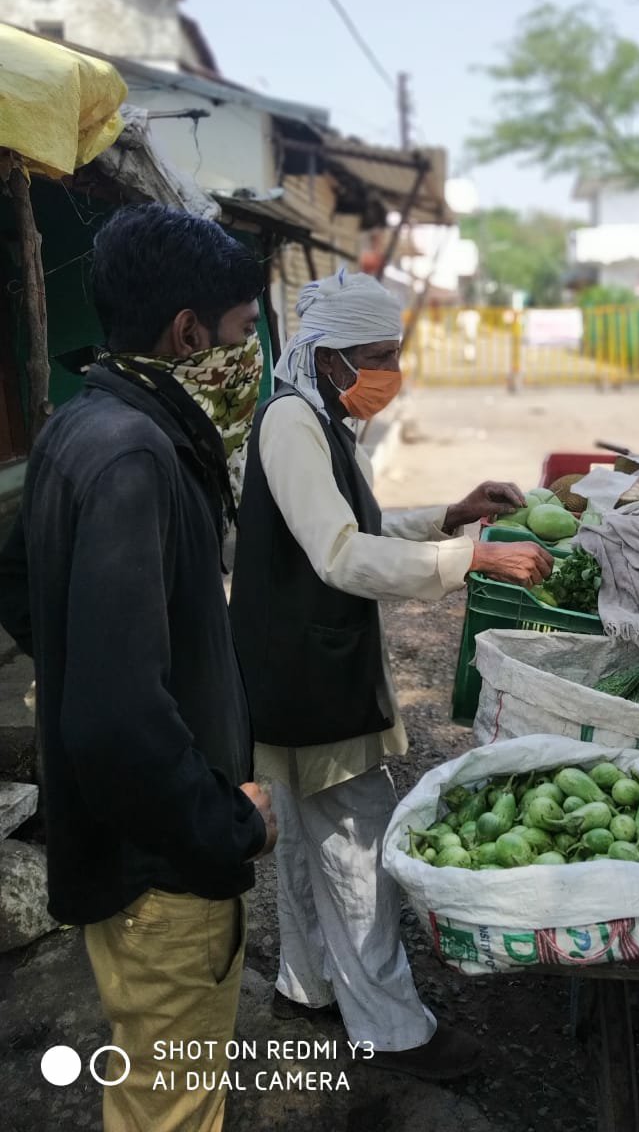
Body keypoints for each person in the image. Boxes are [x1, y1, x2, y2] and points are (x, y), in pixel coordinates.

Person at [229, 270, 552, 1081]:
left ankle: (307, 986)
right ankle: (394, 1029)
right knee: (355, 848)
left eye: (394, 356)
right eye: (375, 357)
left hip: (291, 668)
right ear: (329, 356)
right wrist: (471, 557)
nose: (388, 374)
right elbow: (341, 555)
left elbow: (357, 523)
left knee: (307, 842)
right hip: (309, 677)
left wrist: (452, 514)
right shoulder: (293, 425)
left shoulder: (317, 418)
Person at [0, 204, 278, 1132]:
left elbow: (14, 575)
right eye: (244, 332)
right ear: (189, 332)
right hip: (165, 873)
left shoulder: (80, 425)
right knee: (175, 1111)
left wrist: (80, 654)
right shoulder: (137, 456)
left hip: (121, 846)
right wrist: (226, 823)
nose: (250, 357)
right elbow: (118, 722)